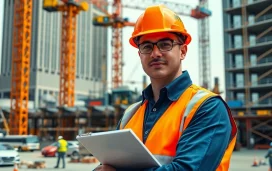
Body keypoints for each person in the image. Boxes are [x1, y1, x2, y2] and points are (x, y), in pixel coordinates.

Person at [94, 4, 237, 171]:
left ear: (183, 51)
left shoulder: (208, 107)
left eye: (165, 44)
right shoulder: (130, 114)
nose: (155, 53)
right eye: (147, 47)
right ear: (140, 54)